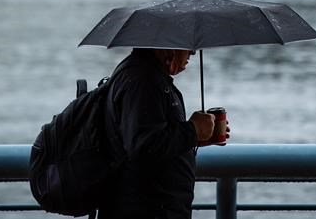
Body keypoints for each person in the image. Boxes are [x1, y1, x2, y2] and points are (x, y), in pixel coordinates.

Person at [98, 47, 229, 219]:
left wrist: (197, 136)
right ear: (168, 48)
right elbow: (144, 146)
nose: (193, 53)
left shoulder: (144, 75)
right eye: (188, 48)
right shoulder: (142, 82)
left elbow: (151, 135)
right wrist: (193, 130)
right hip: (145, 210)